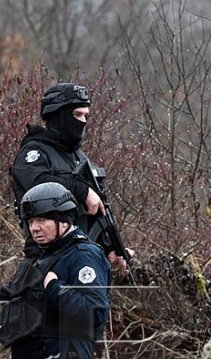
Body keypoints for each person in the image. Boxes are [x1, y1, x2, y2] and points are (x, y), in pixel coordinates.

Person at [0, 182, 111, 359]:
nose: (34, 228)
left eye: (42, 220)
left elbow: (94, 312)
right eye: (31, 221)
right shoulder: (40, 257)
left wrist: (56, 289)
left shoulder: (83, 255)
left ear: (64, 220)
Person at [10, 82, 129, 273]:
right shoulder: (35, 152)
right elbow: (38, 184)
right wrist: (82, 191)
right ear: (59, 116)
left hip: (81, 255)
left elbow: (95, 212)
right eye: (77, 115)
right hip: (46, 257)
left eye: (86, 116)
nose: (83, 122)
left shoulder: (78, 157)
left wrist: (109, 248)